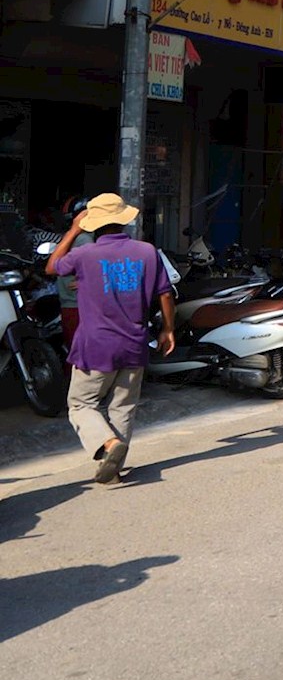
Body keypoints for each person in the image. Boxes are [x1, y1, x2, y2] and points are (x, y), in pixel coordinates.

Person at [46, 194, 174, 484]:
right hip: (134, 342)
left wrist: (73, 230)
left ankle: (108, 445)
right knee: (123, 407)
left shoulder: (84, 255)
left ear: (93, 224)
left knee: (81, 404)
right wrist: (168, 329)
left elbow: (52, 267)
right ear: (123, 219)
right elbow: (165, 293)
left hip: (96, 345)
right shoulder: (146, 251)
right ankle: (113, 467)